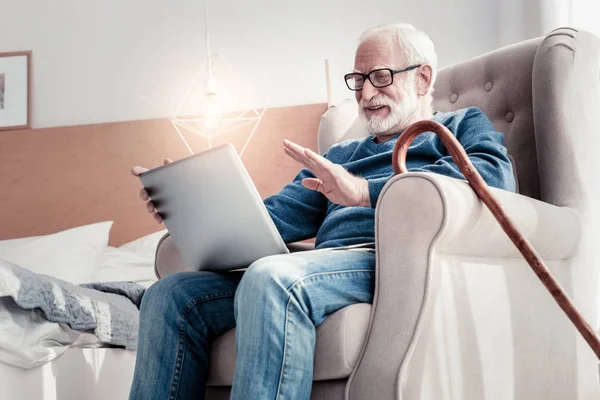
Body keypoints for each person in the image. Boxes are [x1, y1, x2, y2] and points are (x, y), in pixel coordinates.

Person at [129, 22, 516, 399]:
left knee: (272, 278)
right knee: (169, 294)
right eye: (358, 80)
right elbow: (271, 218)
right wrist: (190, 211)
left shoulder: (461, 125)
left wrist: (365, 192)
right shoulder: (340, 155)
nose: (365, 94)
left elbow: (492, 180)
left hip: (389, 261)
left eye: (379, 77)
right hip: (321, 266)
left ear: (422, 78)